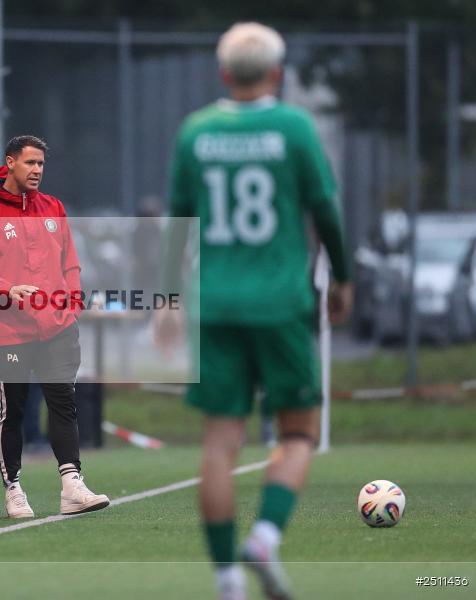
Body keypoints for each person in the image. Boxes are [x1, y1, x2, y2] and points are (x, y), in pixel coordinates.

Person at [154, 23, 353, 600]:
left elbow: (176, 225)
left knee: (220, 443)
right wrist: (342, 277)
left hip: (214, 306)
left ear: (223, 75)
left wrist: (167, 299)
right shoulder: (293, 127)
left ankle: (225, 581)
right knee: (297, 434)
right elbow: (328, 212)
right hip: (281, 305)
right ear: (276, 73)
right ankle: (264, 536)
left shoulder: (196, 131)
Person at [0, 134, 109, 519]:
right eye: (30, 163)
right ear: (10, 163)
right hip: (9, 331)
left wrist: (72, 305)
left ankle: (72, 485)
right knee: (14, 412)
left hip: (57, 327)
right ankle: (14, 489)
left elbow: (70, 263)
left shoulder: (54, 207)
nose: (37, 170)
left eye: (41, 164)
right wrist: (7, 289)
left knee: (63, 404)